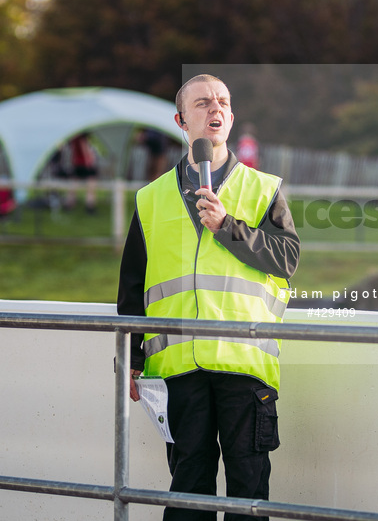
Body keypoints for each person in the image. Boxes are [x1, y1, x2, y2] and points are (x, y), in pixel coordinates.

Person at [117, 74, 300, 521]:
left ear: (231, 117)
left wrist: (229, 227)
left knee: (248, 488)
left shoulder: (264, 188)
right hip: (179, 368)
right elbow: (132, 287)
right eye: (202, 103)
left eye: (222, 102)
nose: (214, 109)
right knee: (188, 490)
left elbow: (288, 258)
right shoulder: (150, 198)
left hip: (244, 362)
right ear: (181, 121)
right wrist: (130, 356)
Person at [65, 132, 98, 213]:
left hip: (76, 164)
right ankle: (90, 207)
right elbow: (85, 151)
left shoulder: (73, 138)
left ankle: (69, 205)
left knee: (73, 187)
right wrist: (89, 163)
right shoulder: (81, 139)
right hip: (84, 165)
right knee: (90, 187)